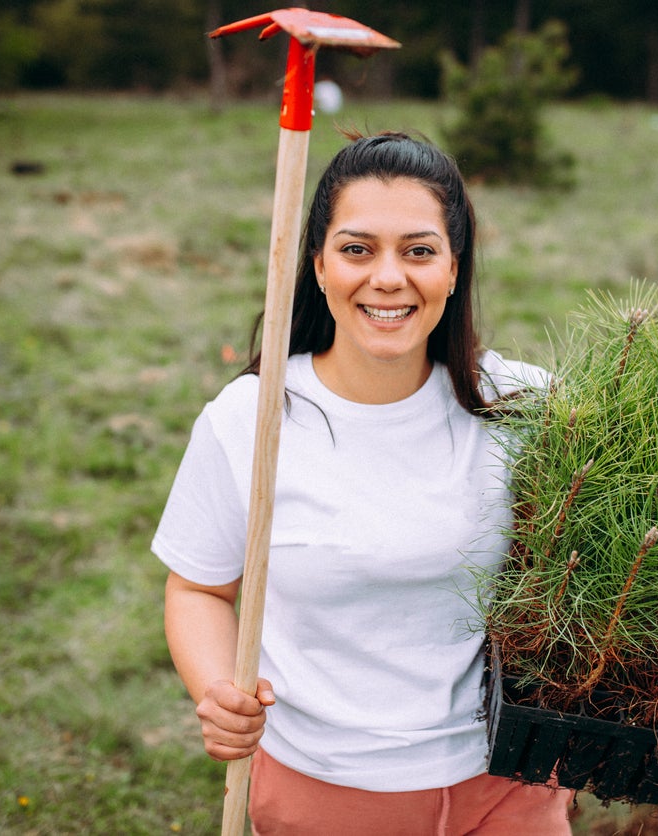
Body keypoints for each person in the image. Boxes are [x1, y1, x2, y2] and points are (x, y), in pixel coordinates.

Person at [152, 131, 571, 833]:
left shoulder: (528, 407)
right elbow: (198, 587)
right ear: (316, 265)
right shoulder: (252, 421)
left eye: (418, 250)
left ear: (453, 268)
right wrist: (219, 690)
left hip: (511, 784)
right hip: (326, 791)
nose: (387, 277)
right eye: (356, 249)